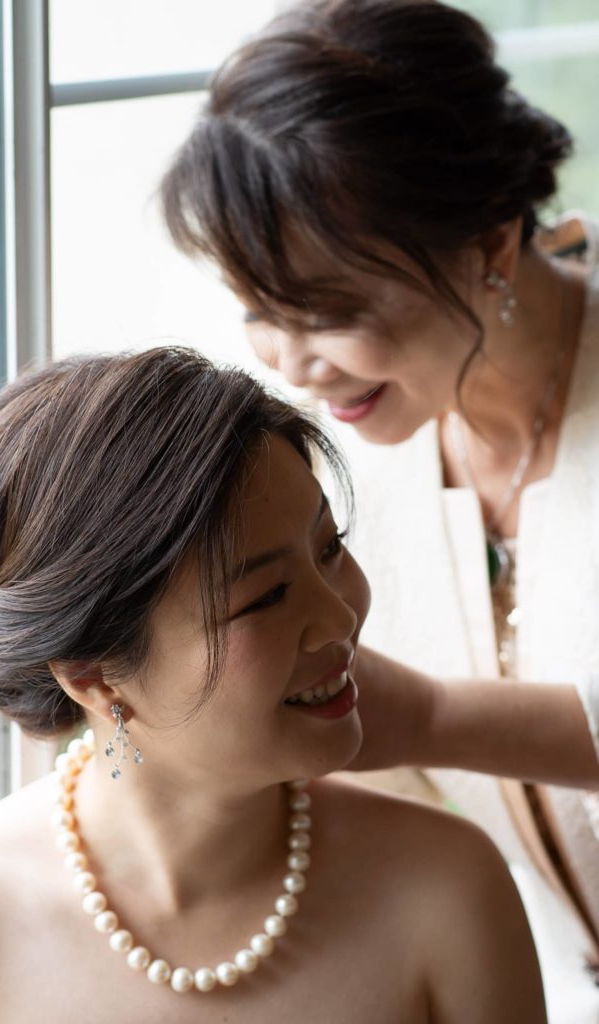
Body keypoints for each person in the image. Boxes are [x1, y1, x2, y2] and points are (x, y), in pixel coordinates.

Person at [159, 1, 599, 1018]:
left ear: (488, 244)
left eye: (332, 314)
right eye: (259, 315)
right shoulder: (347, 458)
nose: (294, 366)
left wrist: (425, 716)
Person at [0, 348, 546, 1023]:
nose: (338, 618)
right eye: (266, 596)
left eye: (329, 548)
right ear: (94, 677)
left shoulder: (443, 889)